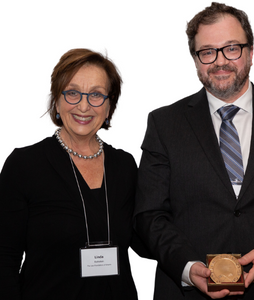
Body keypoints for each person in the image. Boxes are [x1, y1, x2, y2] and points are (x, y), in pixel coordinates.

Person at [134, 2, 254, 300]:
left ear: (250, 52)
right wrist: (187, 266)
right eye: (207, 51)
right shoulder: (163, 123)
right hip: (187, 293)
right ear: (196, 60)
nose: (220, 61)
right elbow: (149, 214)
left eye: (232, 48)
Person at [0, 48, 146, 299]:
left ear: (109, 106)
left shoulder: (125, 165)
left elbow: (144, 238)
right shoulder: (24, 165)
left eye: (97, 95)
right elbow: (4, 258)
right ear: (56, 100)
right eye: (73, 93)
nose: (83, 105)